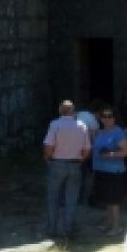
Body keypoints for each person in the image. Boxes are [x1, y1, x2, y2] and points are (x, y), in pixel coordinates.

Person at [42, 99, 90, 239]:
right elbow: (87, 149)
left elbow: (49, 145)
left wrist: (47, 158)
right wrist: (81, 160)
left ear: (60, 111)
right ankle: (69, 229)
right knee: (72, 198)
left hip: (57, 163)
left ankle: (52, 228)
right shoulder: (82, 126)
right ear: (73, 111)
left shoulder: (55, 125)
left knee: (53, 197)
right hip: (75, 163)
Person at [90, 106, 127, 236]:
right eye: (104, 116)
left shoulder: (118, 132)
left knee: (114, 200)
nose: (107, 119)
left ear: (114, 118)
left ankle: (117, 226)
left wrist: (110, 154)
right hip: (101, 170)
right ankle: (109, 222)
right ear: (100, 118)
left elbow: (126, 151)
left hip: (114, 171)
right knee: (107, 199)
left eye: (110, 116)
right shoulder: (100, 132)